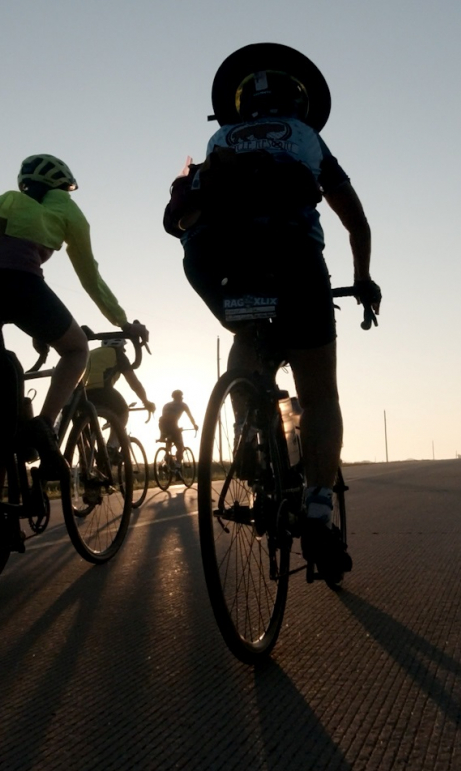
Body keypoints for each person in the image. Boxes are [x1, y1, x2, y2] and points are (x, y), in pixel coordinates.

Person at [164, 43, 378, 581]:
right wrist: (362, 279)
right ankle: (318, 509)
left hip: (216, 264)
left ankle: (248, 435)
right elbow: (357, 223)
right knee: (318, 390)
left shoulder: (217, 143)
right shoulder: (307, 138)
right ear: (298, 104)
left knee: (249, 334)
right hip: (293, 258)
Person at [0, 154, 149, 541]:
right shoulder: (68, 210)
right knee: (76, 350)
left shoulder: (4, 206)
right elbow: (89, 275)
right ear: (63, 185)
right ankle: (44, 425)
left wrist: (38, 328)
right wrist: (122, 322)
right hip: (15, 281)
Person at [84, 332, 153, 451]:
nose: (124, 350)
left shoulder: (90, 353)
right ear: (119, 344)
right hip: (103, 391)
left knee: (87, 425)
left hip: (83, 394)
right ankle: (111, 446)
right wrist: (145, 401)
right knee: (123, 411)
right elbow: (134, 382)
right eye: (123, 347)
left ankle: (87, 454)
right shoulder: (117, 353)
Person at [157, 389, 197, 463]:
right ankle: (178, 465)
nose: (182, 398)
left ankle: (167, 455)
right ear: (180, 397)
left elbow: (164, 418)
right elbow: (190, 417)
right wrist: (194, 425)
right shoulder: (183, 405)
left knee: (169, 439)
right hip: (173, 426)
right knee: (180, 447)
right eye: (181, 396)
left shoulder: (166, 405)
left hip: (162, 426)